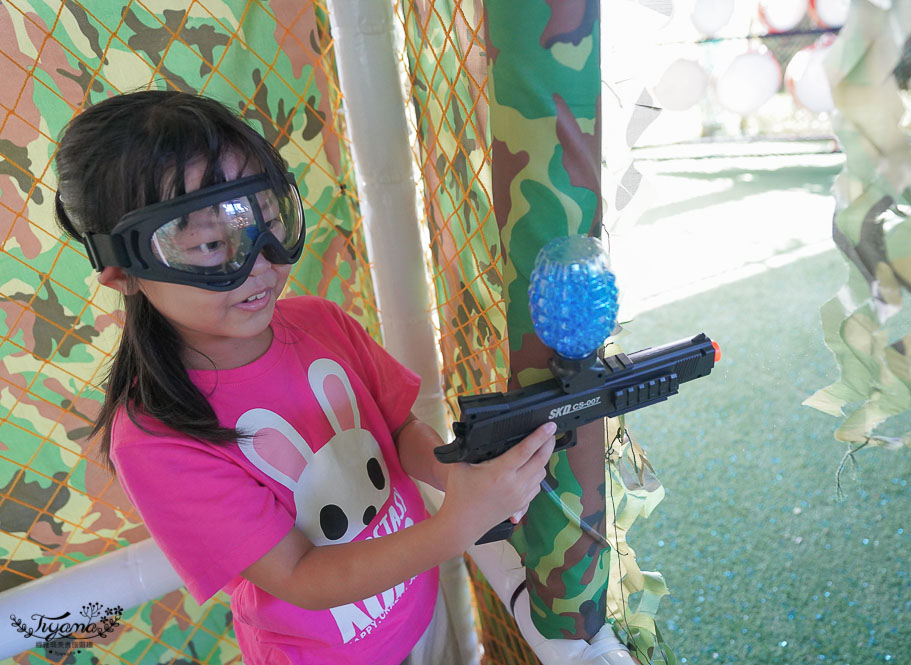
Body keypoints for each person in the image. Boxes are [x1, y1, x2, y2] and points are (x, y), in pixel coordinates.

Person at [53, 90, 556, 665]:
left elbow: (397, 429)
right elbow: (298, 574)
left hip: (417, 610)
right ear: (122, 271)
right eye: (211, 246)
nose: (259, 262)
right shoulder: (155, 437)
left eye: (267, 222)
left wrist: (462, 470)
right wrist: (459, 524)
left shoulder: (321, 321)